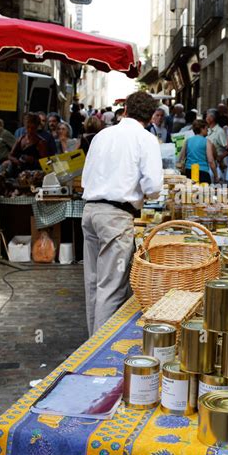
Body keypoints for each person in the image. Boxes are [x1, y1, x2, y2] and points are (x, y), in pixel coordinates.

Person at [81, 92, 163, 335]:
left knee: (94, 284)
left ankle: (91, 341)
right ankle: (97, 350)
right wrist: (143, 194)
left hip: (90, 211)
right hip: (115, 217)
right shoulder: (145, 139)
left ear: (125, 109)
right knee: (111, 287)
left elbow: (86, 177)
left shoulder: (102, 135)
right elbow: (154, 187)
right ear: (150, 117)